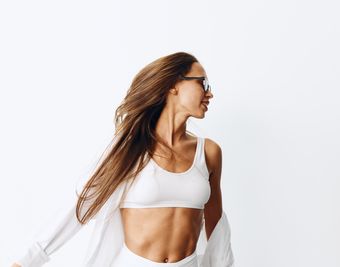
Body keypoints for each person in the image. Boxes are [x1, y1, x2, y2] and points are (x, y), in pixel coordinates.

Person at [11, 51, 235, 267]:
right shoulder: (129, 149)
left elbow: (216, 229)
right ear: (173, 85)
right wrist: (27, 261)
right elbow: (79, 205)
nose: (210, 93)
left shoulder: (209, 153)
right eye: (203, 83)